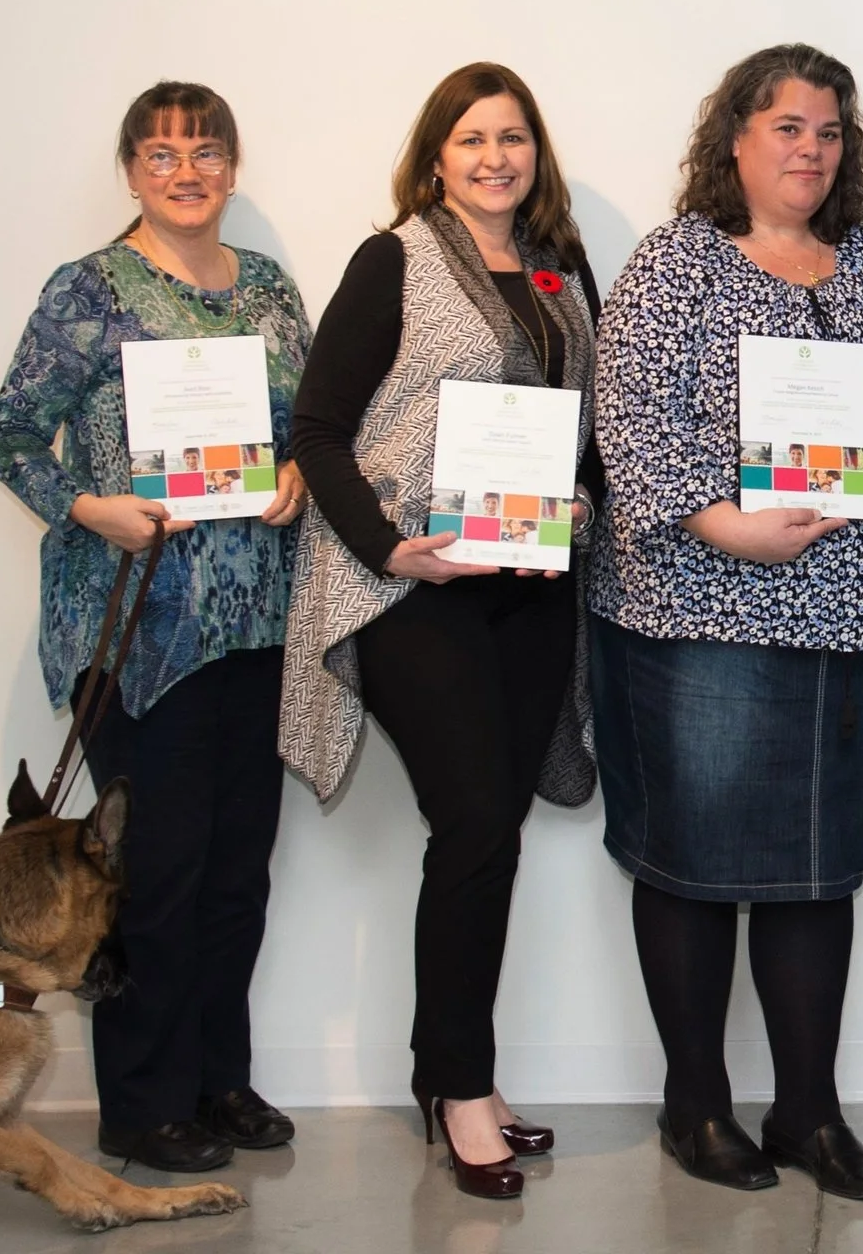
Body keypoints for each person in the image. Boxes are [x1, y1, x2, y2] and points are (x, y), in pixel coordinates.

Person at [587, 45, 863, 1203]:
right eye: (786, 126)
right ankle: (695, 1101)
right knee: (696, 866)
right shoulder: (676, 262)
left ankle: (809, 1110)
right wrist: (726, 522)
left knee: (820, 871)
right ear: (734, 137)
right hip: (700, 609)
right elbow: (626, 419)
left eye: (827, 130)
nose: (809, 149)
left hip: (852, 612)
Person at [282, 63, 603, 1201]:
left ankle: (457, 1068)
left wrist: (597, 508)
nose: (495, 157)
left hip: (530, 587)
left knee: (493, 830)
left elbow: (586, 437)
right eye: (472, 138)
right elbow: (318, 426)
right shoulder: (395, 260)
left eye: (513, 136)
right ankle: (459, 1088)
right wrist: (387, 544)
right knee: (470, 817)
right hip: (420, 588)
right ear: (435, 156)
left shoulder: (564, 273)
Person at [0, 82, 311, 1174]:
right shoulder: (91, 289)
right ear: (131, 168)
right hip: (140, 629)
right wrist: (89, 504)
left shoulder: (265, 286)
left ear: (232, 165)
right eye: (162, 153)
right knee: (153, 873)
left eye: (206, 150)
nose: (185, 170)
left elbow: (308, 419)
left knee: (236, 870)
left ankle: (219, 1079)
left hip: (254, 618)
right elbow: (12, 433)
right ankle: (141, 1099)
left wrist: (301, 471)